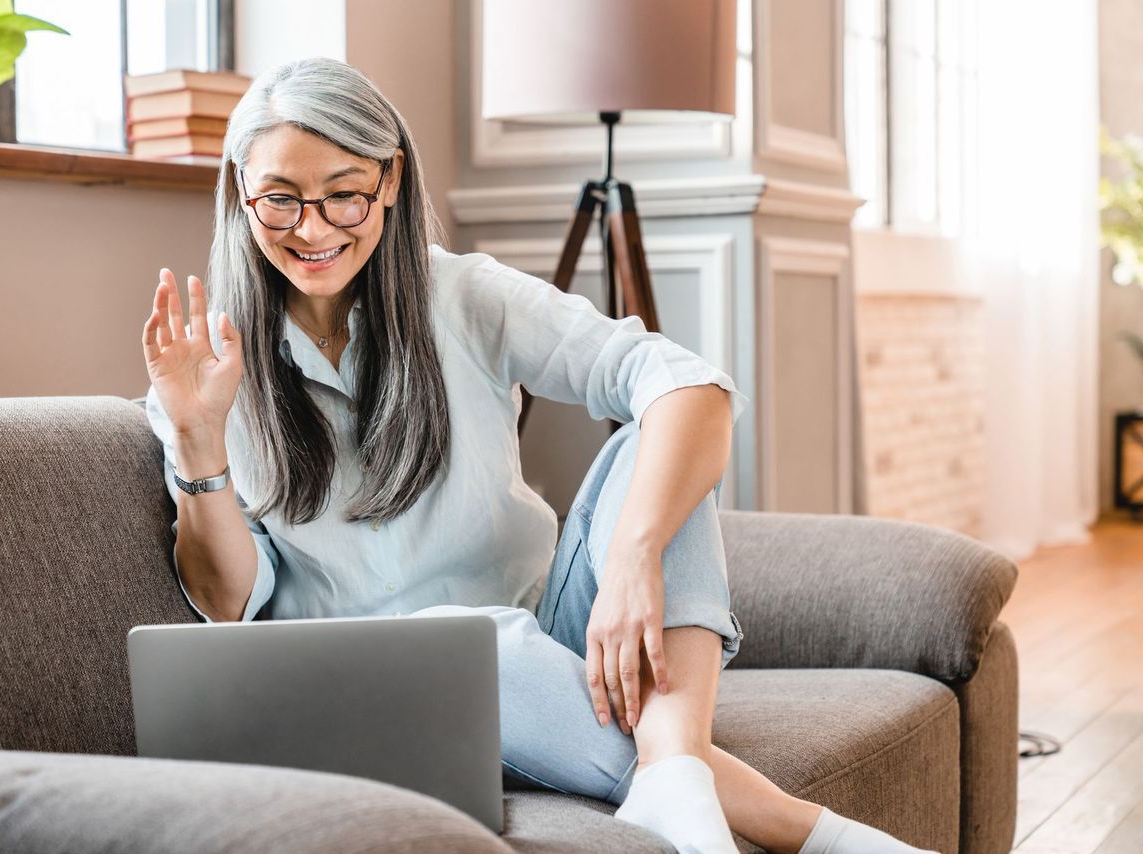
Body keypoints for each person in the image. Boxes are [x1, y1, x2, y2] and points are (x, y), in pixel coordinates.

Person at [141, 57, 937, 854]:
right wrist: (198, 439)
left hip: (548, 657)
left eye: (343, 192)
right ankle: (778, 818)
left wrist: (635, 555)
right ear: (241, 192)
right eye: (280, 199)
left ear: (390, 180)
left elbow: (688, 384)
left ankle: (672, 770)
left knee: (660, 430)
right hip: (371, 698)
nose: (311, 230)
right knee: (470, 641)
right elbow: (226, 603)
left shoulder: (463, 296)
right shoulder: (205, 371)